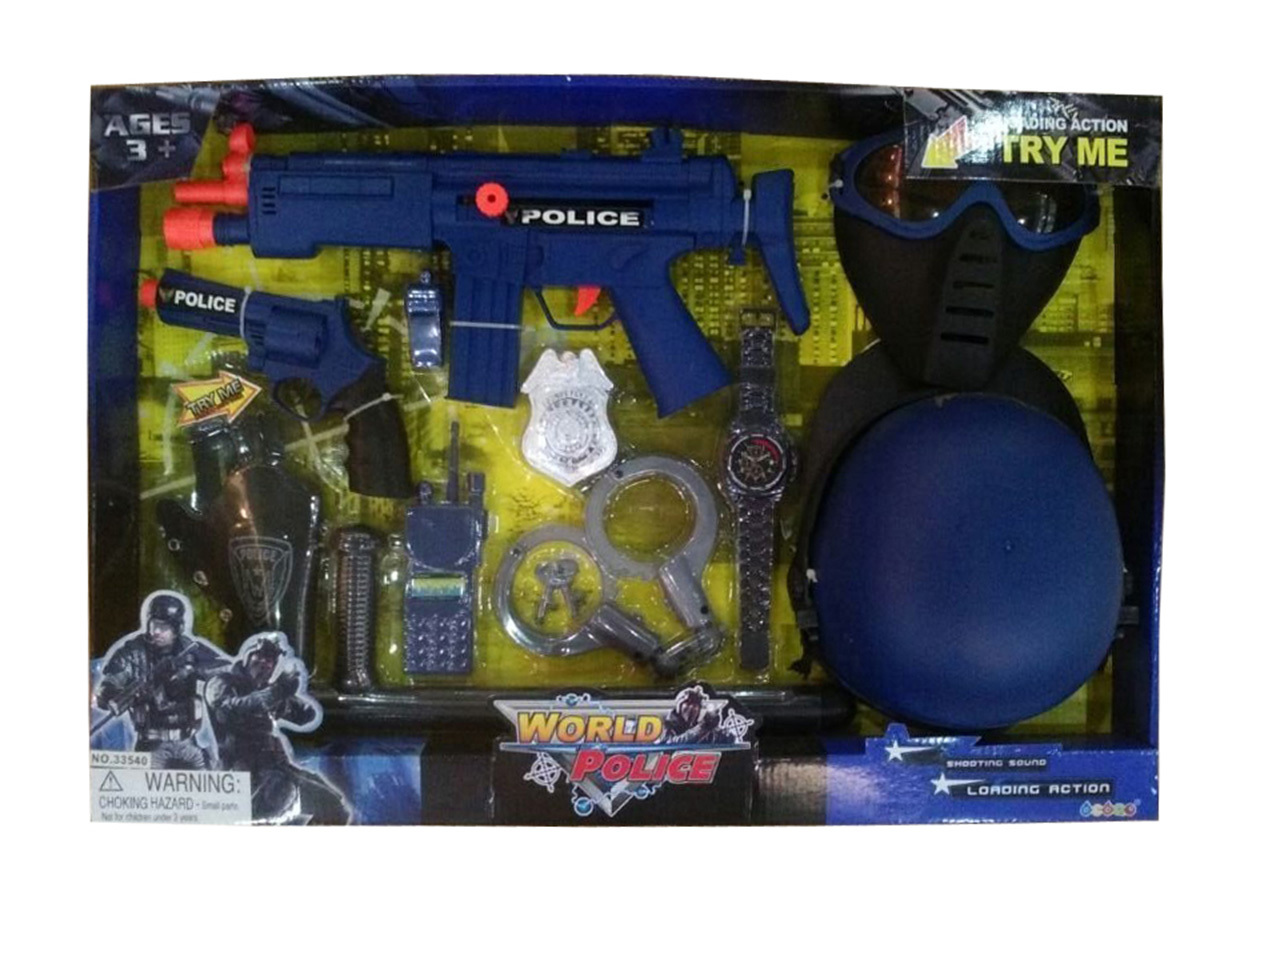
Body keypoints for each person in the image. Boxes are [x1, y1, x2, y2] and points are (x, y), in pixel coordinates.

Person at [204, 633, 350, 825]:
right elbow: (230, 710)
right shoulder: (223, 681)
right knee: (273, 801)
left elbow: (306, 716)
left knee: (333, 804)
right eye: (260, 656)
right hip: (241, 772)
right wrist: (278, 691)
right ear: (248, 656)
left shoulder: (268, 690)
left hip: (275, 766)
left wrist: (292, 687)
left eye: (270, 660)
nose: (264, 663)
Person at [94, 592, 227, 768]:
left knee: (205, 782)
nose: (156, 631)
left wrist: (188, 671)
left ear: (177, 628)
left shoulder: (190, 649)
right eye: (154, 625)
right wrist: (130, 696)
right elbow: (105, 692)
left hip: (188, 742)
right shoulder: (133, 653)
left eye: (163, 627)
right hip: (151, 745)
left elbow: (224, 668)